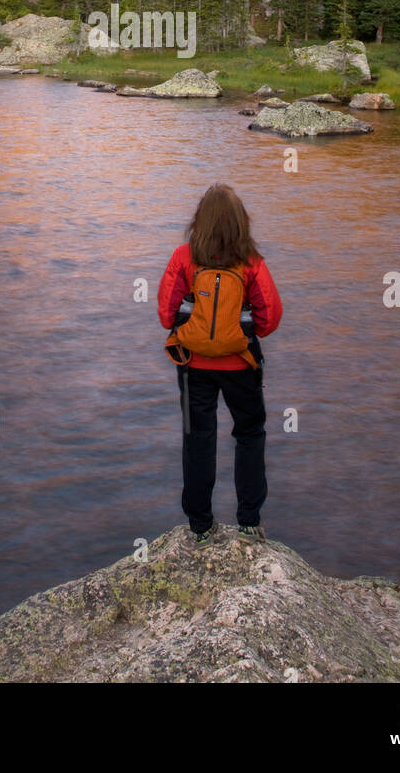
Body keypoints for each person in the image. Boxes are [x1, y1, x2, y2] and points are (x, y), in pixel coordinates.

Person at [157, 184, 283, 546]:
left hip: (193, 365)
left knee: (197, 439)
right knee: (250, 434)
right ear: (240, 224)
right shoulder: (251, 262)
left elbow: (167, 315)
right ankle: (248, 522)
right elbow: (270, 318)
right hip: (241, 364)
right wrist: (239, 333)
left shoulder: (183, 257)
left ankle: (200, 526)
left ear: (200, 221)